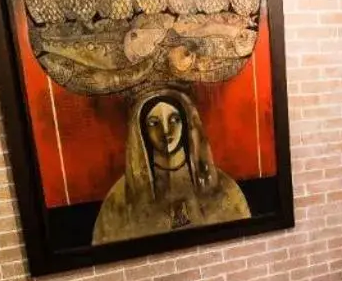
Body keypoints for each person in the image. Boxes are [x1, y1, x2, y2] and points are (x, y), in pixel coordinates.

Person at [92, 87, 250, 244]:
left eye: (175, 119)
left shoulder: (223, 188)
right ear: (141, 131)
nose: (166, 130)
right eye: (154, 123)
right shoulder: (119, 201)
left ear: (187, 122)